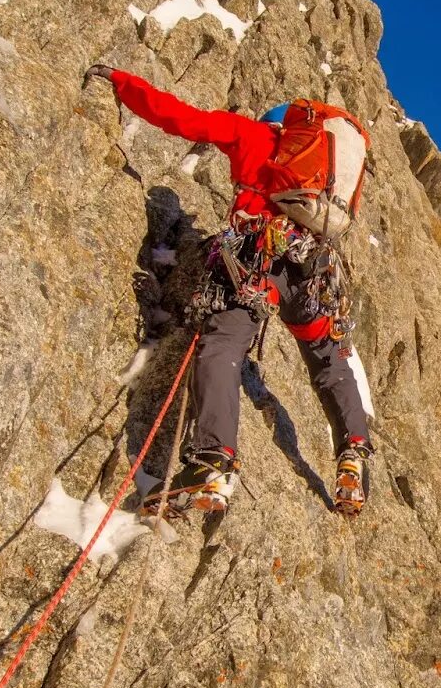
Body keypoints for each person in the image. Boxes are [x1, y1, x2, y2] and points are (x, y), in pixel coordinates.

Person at [85, 64, 373, 516]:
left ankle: (212, 462)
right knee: (330, 362)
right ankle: (353, 453)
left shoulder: (252, 136)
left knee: (221, 344)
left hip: (258, 260)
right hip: (312, 271)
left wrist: (124, 84)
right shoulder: (320, 180)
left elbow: (179, 117)